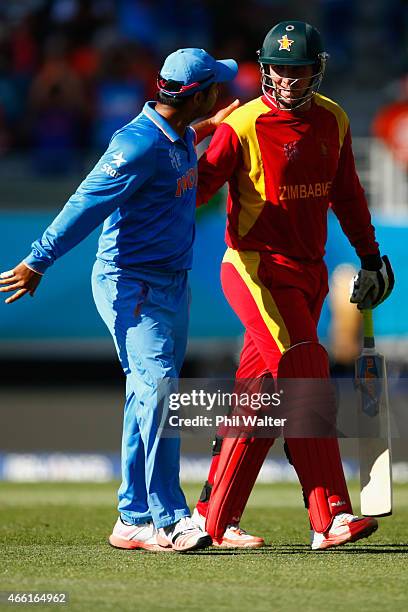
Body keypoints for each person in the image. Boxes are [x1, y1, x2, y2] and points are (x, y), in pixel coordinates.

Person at [0, 48, 238, 553]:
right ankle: (170, 518)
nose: (224, 90)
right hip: (132, 284)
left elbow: (175, 146)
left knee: (145, 396)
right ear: (197, 93)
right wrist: (37, 260)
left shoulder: (175, 137)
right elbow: (84, 203)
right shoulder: (135, 143)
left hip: (171, 284)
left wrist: (209, 126)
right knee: (159, 394)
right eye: (216, 85)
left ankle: (131, 518)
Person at [191, 21, 394, 550]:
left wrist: (371, 258)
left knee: (260, 396)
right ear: (264, 70)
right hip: (254, 267)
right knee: (305, 368)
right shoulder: (243, 124)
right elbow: (195, 191)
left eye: (298, 70)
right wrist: (175, 150)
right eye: (278, 69)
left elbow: (347, 196)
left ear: (316, 71)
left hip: (308, 274)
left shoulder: (334, 120)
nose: (286, 80)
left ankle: (212, 518)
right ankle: (329, 516)